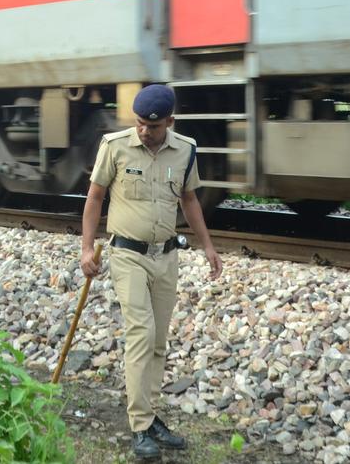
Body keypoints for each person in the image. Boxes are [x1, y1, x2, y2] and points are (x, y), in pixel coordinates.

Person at [80, 84, 223, 461]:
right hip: (127, 255)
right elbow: (95, 197)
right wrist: (85, 248)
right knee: (141, 333)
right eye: (141, 124)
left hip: (166, 257)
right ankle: (140, 424)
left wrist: (208, 246)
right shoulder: (115, 146)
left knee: (159, 339)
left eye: (153, 127)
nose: (145, 131)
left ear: (170, 122)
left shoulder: (186, 150)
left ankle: (150, 412)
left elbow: (189, 199)